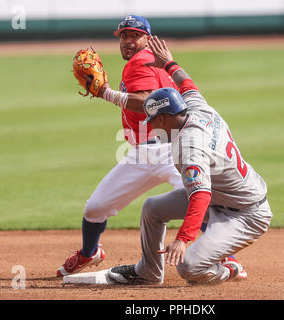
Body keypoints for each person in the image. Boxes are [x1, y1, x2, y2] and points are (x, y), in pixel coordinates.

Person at [107, 36, 272, 285]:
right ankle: (149, 271)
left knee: (190, 268)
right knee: (152, 208)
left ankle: (228, 271)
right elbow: (187, 84)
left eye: (151, 120)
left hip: (246, 214)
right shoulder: (197, 108)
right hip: (223, 195)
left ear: (163, 118)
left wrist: (183, 239)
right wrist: (169, 63)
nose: (149, 125)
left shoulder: (189, 147)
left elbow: (200, 196)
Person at [56, 15, 184, 277]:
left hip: (168, 150)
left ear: (147, 38)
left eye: (134, 35)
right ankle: (90, 253)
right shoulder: (154, 61)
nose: (127, 41)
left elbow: (150, 102)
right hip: (144, 153)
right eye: (124, 36)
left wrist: (106, 93)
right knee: (95, 208)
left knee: (196, 197)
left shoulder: (139, 63)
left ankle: (226, 258)